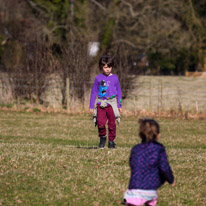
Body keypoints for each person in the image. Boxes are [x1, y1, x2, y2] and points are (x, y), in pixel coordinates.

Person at [123, 118, 175, 206]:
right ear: (158, 135)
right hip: (151, 190)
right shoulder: (159, 149)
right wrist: (171, 179)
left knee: (130, 198)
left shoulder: (135, 149)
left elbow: (132, 164)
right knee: (151, 199)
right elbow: (164, 167)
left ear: (140, 135)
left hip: (134, 188)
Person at [89, 55, 122, 149]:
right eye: (105, 67)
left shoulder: (115, 78)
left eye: (109, 67)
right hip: (101, 103)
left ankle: (111, 141)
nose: (107, 69)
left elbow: (119, 92)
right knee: (100, 123)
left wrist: (119, 105)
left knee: (112, 124)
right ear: (101, 67)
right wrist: (91, 106)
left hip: (112, 103)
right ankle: (102, 138)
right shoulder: (98, 78)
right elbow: (94, 92)